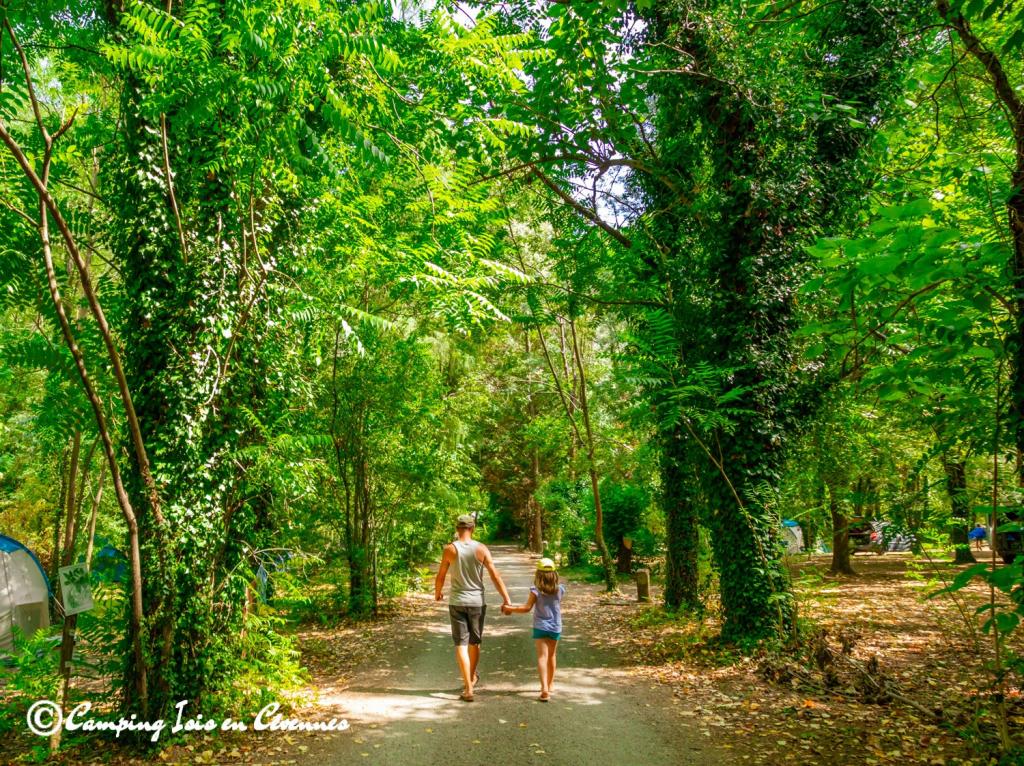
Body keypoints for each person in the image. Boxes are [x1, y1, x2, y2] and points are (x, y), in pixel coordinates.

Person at [434, 514, 512, 702]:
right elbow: (495, 575)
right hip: (477, 602)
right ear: (473, 528)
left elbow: (441, 575)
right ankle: (471, 678)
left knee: (460, 644)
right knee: (474, 642)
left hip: (457, 602)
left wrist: (437, 593)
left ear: (457, 528)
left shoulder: (449, 549)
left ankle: (469, 687)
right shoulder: (482, 549)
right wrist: (506, 599)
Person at [502, 557, 565, 702]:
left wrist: (509, 608)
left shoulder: (535, 591)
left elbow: (526, 608)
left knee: (542, 657)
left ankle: (544, 689)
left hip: (540, 627)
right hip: (555, 627)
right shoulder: (560, 590)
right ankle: (550, 684)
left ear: (538, 574)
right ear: (555, 574)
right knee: (552, 656)